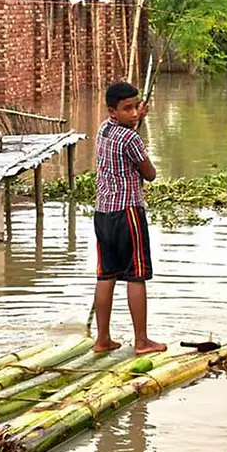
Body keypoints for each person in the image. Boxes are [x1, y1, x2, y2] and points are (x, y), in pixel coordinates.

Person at [92, 81, 167, 356]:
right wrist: (137, 131)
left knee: (106, 274)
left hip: (103, 213)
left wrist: (136, 122)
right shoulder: (131, 139)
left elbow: (124, 137)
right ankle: (142, 341)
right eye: (128, 109)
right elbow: (150, 174)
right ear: (113, 111)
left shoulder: (104, 129)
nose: (135, 113)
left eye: (137, 107)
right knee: (136, 275)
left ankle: (102, 339)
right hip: (128, 213)